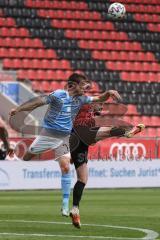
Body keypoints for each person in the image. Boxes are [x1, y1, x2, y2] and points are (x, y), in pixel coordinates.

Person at [9, 73, 122, 217]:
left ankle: (64, 205)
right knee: (27, 156)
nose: (86, 87)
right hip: (47, 134)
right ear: (72, 85)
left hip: (63, 137)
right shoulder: (58, 94)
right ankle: (27, 152)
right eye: (83, 85)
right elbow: (38, 102)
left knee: (66, 166)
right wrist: (18, 109)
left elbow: (100, 98)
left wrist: (109, 93)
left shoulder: (81, 99)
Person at [69, 90, 145, 228]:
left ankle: (75, 209)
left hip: (78, 141)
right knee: (109, 129)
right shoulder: (86, 102)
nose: (102, 107)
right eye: (101, 104)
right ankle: (128, 133)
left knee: (82, 179)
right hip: (82, 132)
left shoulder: (89, 114)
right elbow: (100, 98)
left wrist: (72, 153)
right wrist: (108, 93)